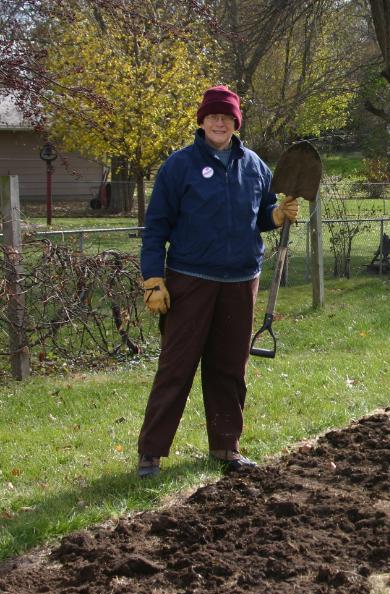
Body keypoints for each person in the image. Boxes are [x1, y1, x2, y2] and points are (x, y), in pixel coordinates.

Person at [136, 85, 298, 478]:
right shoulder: (179, 167)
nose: (219, 121)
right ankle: (151, 454)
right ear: (202, 120)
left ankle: (226, 448)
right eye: (212, 115)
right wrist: (153, 278)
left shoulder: (256, 166)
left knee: (229, 368)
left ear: (236, 121)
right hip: (190, 281)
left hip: (241, 282)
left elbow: (258, 216)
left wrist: (275, 216)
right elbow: (156, 227)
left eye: (226, 116)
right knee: (177, 367)